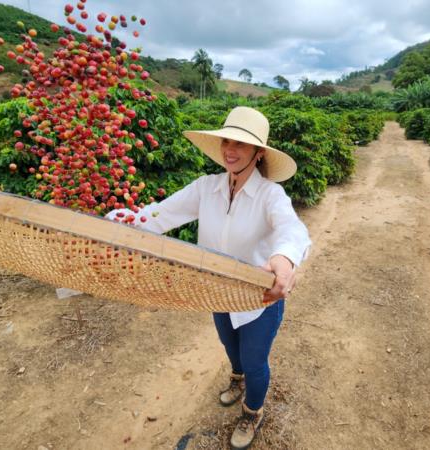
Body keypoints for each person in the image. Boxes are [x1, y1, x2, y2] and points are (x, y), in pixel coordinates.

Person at [104, 106, 311, 449]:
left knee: (256, 361)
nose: (230, 150)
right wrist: (118, 223)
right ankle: (236, 378)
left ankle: (252, 411)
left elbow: (292, 228)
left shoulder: (269, 195)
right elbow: (158, 215)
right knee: (231, 348)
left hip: (259, 299)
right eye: (227, 141)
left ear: (259, 153)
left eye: (241, 145)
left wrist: (284, 258)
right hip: (216, 291)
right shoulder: (206, 188)